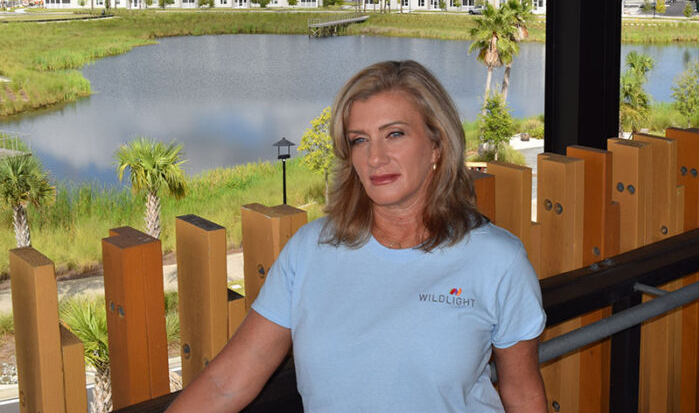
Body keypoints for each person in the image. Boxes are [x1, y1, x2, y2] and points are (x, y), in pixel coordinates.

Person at [168, 60, 547, 412]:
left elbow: (522, 392)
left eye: (394, 134)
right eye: (359, 140)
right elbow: (227, 382)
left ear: (437, 144)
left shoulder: (497, 260)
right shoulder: (310, 250)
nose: (375, 158)